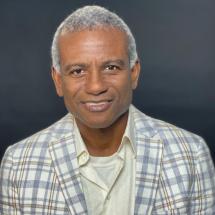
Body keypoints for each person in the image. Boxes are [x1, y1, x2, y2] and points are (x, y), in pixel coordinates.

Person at [0, 5, 215, 215]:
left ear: (134, 73)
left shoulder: (191, 154)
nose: (96, 86)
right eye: (77, 71)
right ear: (58, 80)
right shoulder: (18, 163)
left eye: (111, 67)